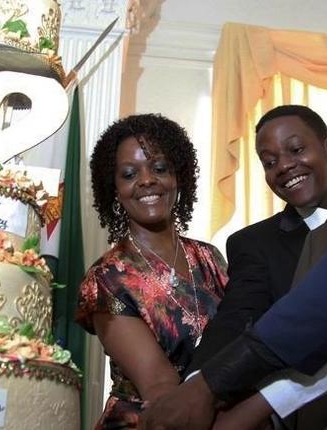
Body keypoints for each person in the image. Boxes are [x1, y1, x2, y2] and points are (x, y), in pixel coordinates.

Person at [139, 103, 327, 430]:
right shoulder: (253, 243)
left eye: (296, 149)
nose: (285, 166)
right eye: (269, 162)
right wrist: (201, 386)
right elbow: (236, 318)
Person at [75, 113, 228, 429]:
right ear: (114, 189)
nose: (147, 180)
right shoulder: (107, 278)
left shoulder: (209, 257)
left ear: (178, 177)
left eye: (159, 169)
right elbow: (159, 385)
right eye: (129, 174)